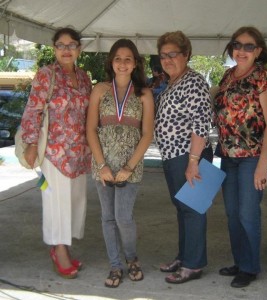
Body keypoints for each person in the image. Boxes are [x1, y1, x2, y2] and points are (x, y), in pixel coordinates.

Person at [21, 27, 92, 279]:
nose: (66, 50)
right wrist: (30, 144)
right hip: (54, 151)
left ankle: (63, 247)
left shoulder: (84, 77)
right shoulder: (46, 75)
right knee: (55, 201)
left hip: (80, 152)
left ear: (79, 49)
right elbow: (34, 109)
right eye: (60, 45)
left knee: (74, 201)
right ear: (54, 49)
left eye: (71, 45)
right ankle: (59, 251)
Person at [213, 26, 267, 288]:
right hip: (228, 156)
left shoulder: (264, 78)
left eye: (249, 46)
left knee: (247, 213)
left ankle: (250, 267)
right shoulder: (228, 76)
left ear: (258, 51)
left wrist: (263, 164)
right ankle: (240, 261)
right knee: (232, 213)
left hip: (253, 156)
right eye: (237, 45)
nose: (242, 50)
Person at [86, 39, 154, 288]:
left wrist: (129, 167)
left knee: (123, 217)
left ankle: (131, 258)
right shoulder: (100, 90)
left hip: (130, 166)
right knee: (107, 218)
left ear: (135, 63)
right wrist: (101, 164)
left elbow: (147, 134)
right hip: (102, 165)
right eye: (118, 58)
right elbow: (91, 129)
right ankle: (115, 265)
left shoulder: (144, 93)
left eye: (128, 59)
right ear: (111, 62)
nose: (123, 63)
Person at [154, 31, 213, 284]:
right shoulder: (173, 82)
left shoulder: (194, 81)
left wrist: (193, 161)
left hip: (190, 155)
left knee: (193, 210)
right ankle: (184, 255)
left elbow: (202, 123)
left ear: (186, 54)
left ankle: (194, 264)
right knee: (182, 209)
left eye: (172, 54)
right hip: (173, 156)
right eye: (163, 55)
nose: (167, 60)